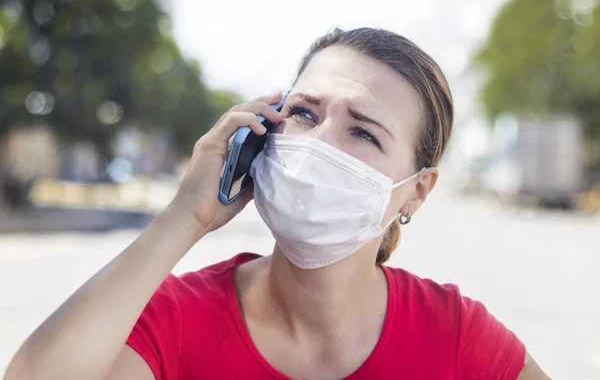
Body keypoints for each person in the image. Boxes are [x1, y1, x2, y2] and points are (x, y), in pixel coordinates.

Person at [5, 27, 550, 380]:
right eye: (306, 113)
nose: (314, 142)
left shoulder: (454, 336)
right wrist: (184, 219)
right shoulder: (177, 319)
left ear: (417, 189)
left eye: (363, 134)